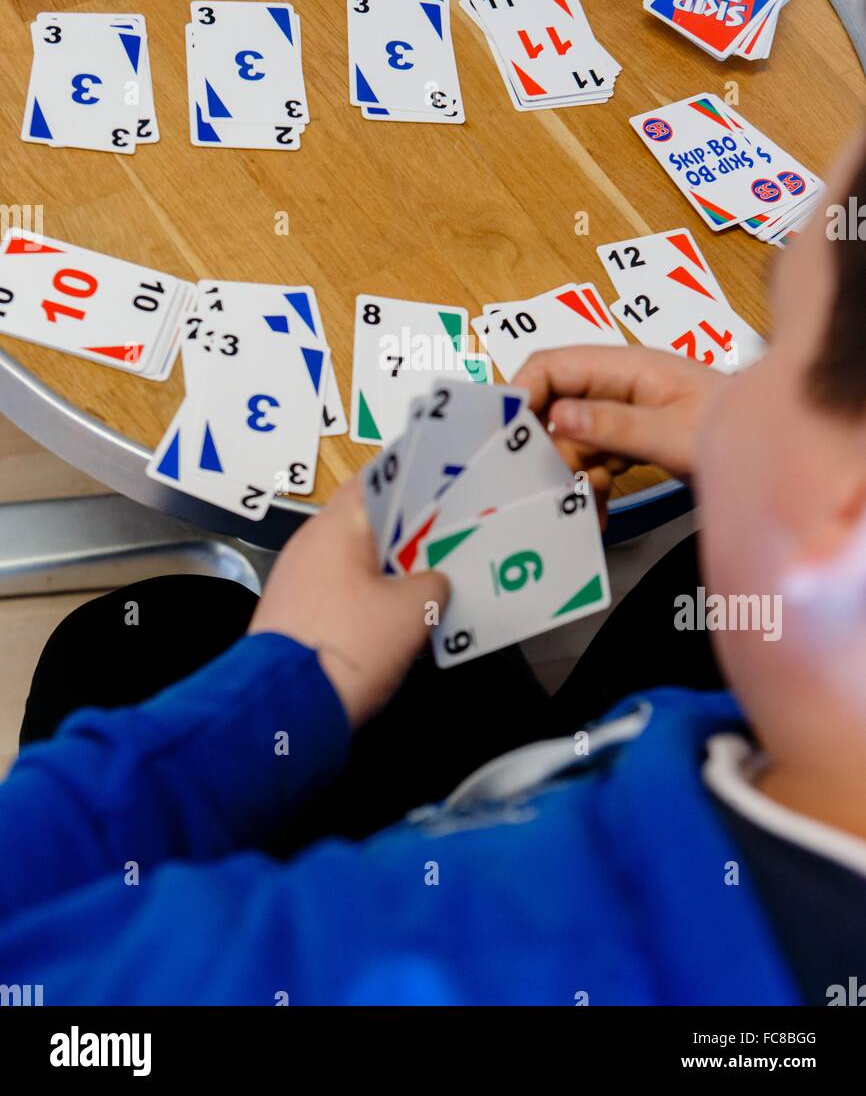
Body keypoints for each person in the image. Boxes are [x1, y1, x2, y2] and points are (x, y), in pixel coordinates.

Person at [0, 128, 864, 1005]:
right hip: (619, 790)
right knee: (675, 589)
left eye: (777, 350)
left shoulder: (392, 963)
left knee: (121, 642)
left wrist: (300, 673)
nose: (723, 380)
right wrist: (769, 464)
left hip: (466, 869)